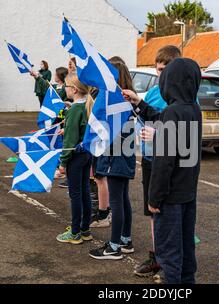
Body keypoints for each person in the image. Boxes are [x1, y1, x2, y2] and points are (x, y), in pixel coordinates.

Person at [122, 58, 202, 284]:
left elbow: (163, 162)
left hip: (169, 197)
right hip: (188, 194)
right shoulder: (193, 109)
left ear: (169, 83)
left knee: (168, 253)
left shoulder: (172, 113)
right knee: (185, 248)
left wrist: (154, 197)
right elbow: (161, 118)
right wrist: (138, 103)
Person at [133, 45, 182, 277]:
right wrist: (135, 102)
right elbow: (146, 114)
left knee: (167, 212)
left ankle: (169, 259)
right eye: (158, 69)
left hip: (170, 163)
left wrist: (157, 133)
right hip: (150, 159)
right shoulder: (153, 92)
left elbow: (180, 131)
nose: (160, 74)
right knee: (152, 210)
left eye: (164, 69)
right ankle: (155, 256)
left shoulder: (181, 97)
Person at [89, 59, 136, 260]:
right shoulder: (128, 99)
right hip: (125, 155)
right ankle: (125, 239)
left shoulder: (115, 101)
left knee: (117, 201)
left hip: (115, 155)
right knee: (123, 198)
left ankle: (114, 246)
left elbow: (105, 130)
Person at [56, 74, 94, 245]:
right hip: (87, 154)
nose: (64, 88)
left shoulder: (74, 110)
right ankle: (85, 229)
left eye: (66, 86)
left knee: (75, 194)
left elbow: (69, 141)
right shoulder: (88, 105)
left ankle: (75, 231)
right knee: (85, 191)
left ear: (74, 90)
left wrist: (62, 163)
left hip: (76, 157)